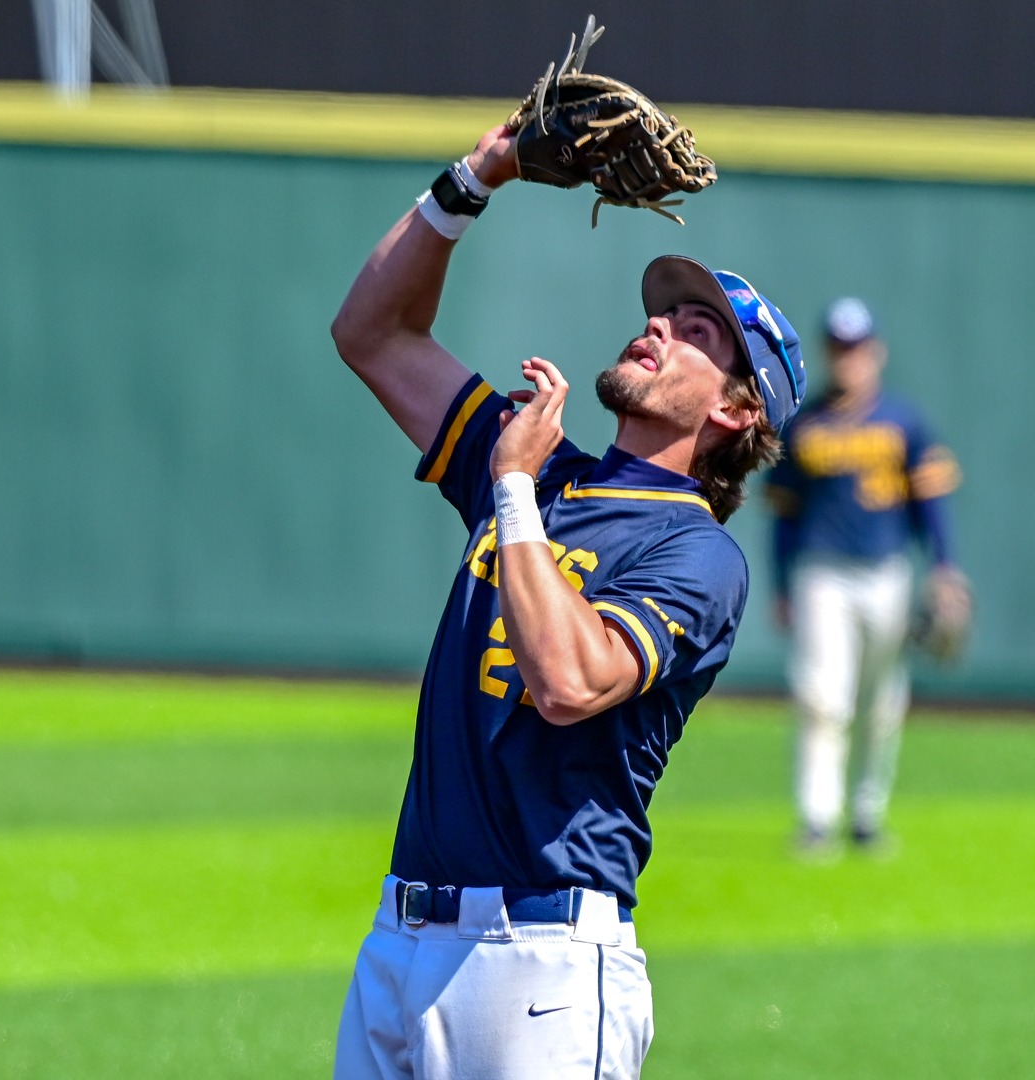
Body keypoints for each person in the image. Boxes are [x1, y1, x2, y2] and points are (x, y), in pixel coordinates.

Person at [326, 122, 806, 1079]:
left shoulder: (696, 555)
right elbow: (372, 334)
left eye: (698, 330)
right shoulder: (548, 469)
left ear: (737, 411)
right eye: (665, 313)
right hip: (402, 936)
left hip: (540, 961)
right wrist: (478, 177)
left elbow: (570, 682)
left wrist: (509, 492)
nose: (661, 325)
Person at [766, 298, 964, 854]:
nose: (848, 359)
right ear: (829, 352)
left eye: (856, 348)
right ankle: (817, 818)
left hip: (888, 572)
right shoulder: (803, 424)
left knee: (882, 703)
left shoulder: (903, 420)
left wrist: (945, 567)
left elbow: (930, 504)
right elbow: (784, 516)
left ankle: (868, 815)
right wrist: (782, 585)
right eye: (839, 348)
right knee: (820, 698)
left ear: (875, 352)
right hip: (821, 573)